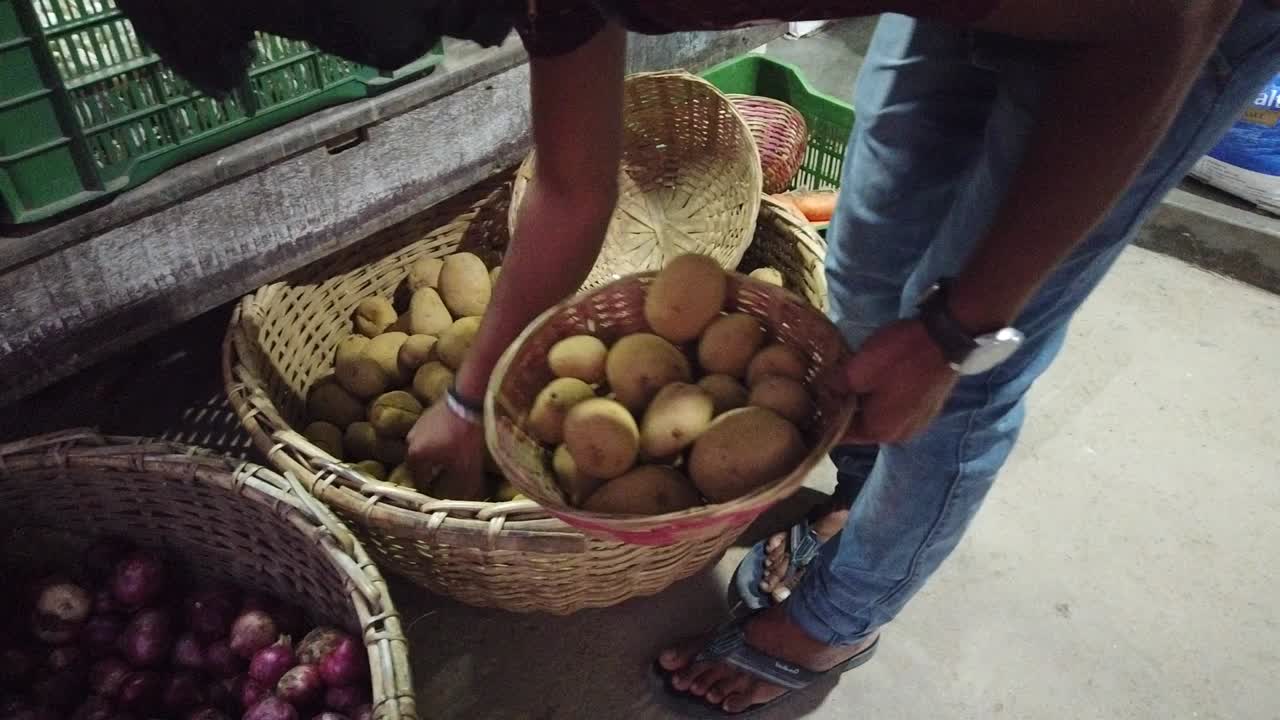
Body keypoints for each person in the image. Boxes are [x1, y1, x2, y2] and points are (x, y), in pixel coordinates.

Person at [111, 0, 1280, 715]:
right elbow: (572, 186)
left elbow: (1160, 20)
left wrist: (954, 331)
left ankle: (841, 617)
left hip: (1175, 16)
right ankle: (858, 487)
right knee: (867, 278)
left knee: (960, 370)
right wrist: (469, 399)